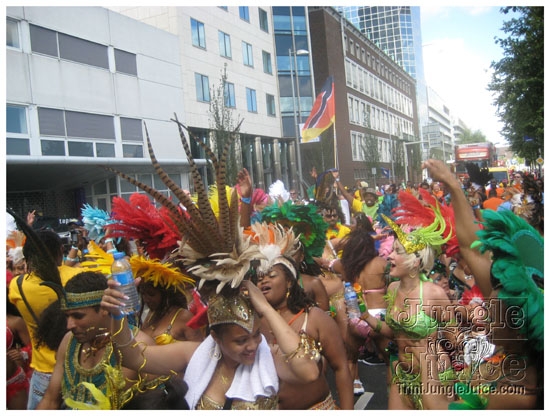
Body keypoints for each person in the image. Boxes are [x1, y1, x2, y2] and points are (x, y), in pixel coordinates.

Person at [423, 159, 543, 409]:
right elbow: (471, 249)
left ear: (518, 331)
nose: (488, 318)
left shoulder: (518, 393)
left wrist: (426, 372)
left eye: (494, 312)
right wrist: (454, 186)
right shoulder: (522, 318)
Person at [358, 204, 456, 409]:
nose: (390, 256)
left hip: (433, 375)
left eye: (398, 252)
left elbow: (454, 339)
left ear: (415, 261)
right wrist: (366, 317)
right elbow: (394, 333)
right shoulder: (393, 289)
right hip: (402, 373)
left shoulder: (433, 293)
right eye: (392, 250)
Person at [36, 271, 155, 409]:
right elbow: (50, 400)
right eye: (67, 316)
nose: (69, 325)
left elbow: (157, 404)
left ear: (104, 309)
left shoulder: (142, 345)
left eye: (78, 316)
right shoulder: (69, 341)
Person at [254, 252, 353, 409]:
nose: (264, 280)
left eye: (272, 275)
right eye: (259, 278)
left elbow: (341, 367)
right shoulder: (254, 323)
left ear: (288, 282)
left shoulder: (314, 318)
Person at [8, 229, 81, 409]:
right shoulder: (76, 277)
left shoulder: (17, 286)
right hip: (77, 369)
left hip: (42, 373)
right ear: (59, 251)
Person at [134, 256, 204, 344]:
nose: (146, 299)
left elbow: (199, 350)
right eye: (143, 294)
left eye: (151, 294)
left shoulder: (184, 316)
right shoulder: (151, 315)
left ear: (165, 293)